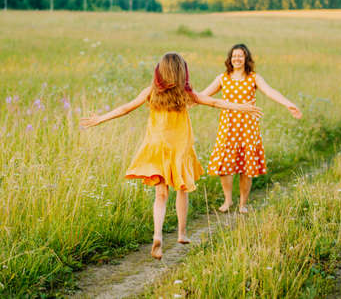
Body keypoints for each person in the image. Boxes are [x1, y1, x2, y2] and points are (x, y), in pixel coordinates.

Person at [81, 52, 262, 259]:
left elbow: (126, 108)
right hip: (180, 149)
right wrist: (242, 107)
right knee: (182, 189)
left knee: (161, 195)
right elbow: (215, 103)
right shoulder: (186, 94)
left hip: (157, 147)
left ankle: (157, 235)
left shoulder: (151, 92)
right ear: (181, 73)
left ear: (159, 72)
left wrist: (100, 119)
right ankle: (182, 233)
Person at [200, 44, 302, 214]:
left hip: (248, 128)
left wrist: (288, 104)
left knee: (247, 166)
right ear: (229, 59)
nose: (237, 59)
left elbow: (270, 92)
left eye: (241, 56)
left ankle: (243, 204)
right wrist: (184, 103)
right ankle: (228, 200)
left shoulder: (253, 77)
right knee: (225, 164)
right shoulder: (223, 78)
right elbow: (203, 95)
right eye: (234, 56)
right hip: (228, 127)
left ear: (246, 58)